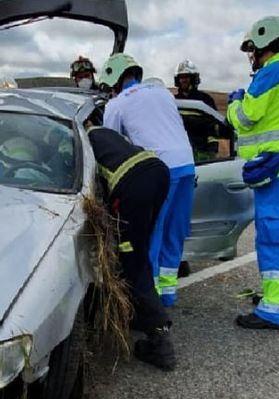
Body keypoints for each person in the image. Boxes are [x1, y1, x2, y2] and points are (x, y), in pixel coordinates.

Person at [226, 16, 279, 330]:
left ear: (265, 44)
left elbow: (247, 117)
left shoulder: (270, 72)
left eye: (252, 50)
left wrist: (234, 103)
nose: (251, 57)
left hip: (276, 172)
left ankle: (272, 309)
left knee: (272, 239)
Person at [97, 53, 196, 308]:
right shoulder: (162, 92)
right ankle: (168, 292)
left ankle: (148, 301)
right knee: (174, 232)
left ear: (113, 79)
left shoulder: (116, 104)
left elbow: (109, 143)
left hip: (159, 170)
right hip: (186, 165)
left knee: (151, 234)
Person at [87, 126, 177, 370]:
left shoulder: (80, 140)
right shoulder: (102, 132)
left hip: (132, 185)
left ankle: (160, 340)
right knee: (138, 248)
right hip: (157, 172)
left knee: (132, 260)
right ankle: (137, 313)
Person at [174, 59, 221, 162]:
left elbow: (213, 126)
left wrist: (212, 150)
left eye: (186, 77)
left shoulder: (205, 100)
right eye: (181, 77)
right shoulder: (174, 101)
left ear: (194, 78)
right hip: (180, 151)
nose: (183, 80)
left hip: (202, 152)